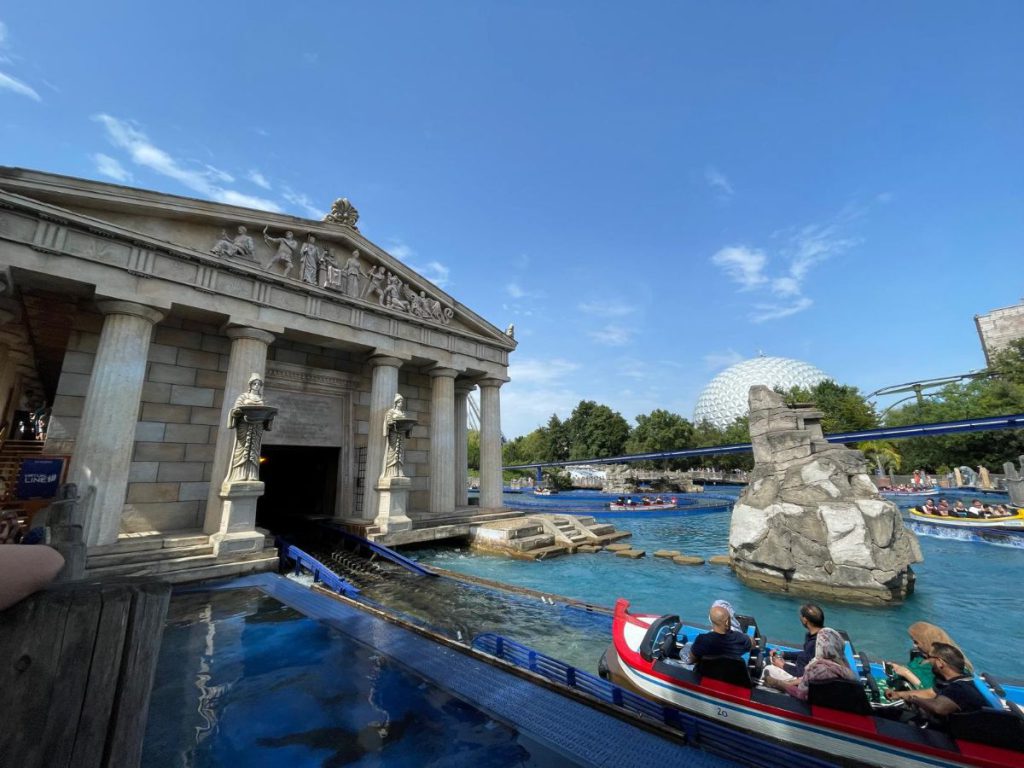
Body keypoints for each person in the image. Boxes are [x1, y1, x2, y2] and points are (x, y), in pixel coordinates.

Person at [886, 643, 988, 724]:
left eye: (930, 657)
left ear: (940, 662)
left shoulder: (960, 687)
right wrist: (898, 694)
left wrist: (914, 699)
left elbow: (939, 708)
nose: (927, 660)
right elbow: (929, 693)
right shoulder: (953, 681)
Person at [763, 627, 857, 701]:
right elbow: (805, 679)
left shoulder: (817, 669)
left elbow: (800, 694)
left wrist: (779, 683)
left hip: (811, 704)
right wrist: (789, 682)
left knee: (767, 668)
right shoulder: (846, 668)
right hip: (831, 701)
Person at [886, 621, 971, 691]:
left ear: (927, 641)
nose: (914, 646)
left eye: (916, 642)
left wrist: (906, 673)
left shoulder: (941, 665)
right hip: (896, 687)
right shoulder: (921, 657)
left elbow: (934, 694)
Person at [763, 603, 824, 684]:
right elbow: (806, 655)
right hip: (800, 668)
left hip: (801, 678)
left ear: (805, 620)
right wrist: (783, 653)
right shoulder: (818, 636)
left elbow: (802, 673)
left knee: (767, 669)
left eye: (801, 616)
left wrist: (782, 665)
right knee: (769, 659)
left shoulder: (814, 643)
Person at [687, 602, 753, 664]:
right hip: (731, 674)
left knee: (687, 647)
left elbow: (692, 660)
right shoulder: (740, 638)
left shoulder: (702, 640)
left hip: (707, 673)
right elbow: (752, 644)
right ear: (727, 622)